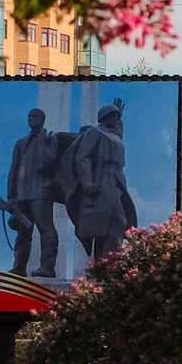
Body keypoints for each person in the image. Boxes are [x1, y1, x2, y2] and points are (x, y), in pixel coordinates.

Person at [59, 99, 137, 268]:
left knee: (108, 226)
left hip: (117, 178)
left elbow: (117, 139)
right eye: (113, 116)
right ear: (104, 117)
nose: (116, 119)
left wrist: (120, 119)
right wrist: (87, 181)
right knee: (117, 222)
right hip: (103, 179)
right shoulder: (95, 132)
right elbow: (83, 157)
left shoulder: (113, 134)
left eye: (117, 116)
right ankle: (109, 266)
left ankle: (102, 267)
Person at [4, 107, 63, 277]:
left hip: (41, 192)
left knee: (46, 228)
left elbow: (45, 163)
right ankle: (19, 266)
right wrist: (11, 196)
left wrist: (42, 141)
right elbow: (14, 170)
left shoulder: (50, 139)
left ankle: (47, 267)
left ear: (42, 120)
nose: (30, 118)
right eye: (29, 116)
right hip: (22, 194)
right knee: (23, 232)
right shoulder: (21, 143)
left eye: (34, 116)